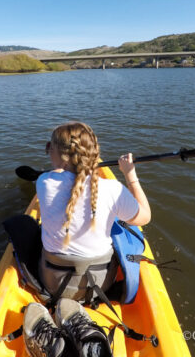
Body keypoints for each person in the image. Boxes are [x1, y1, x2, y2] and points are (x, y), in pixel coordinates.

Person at [22, 121, 151, 357]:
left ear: (58, 154)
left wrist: (72, 167)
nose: (47, 149)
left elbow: (62, 176)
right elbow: (145, 217)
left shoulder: (44, 182)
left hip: (53, 283)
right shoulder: (113, 189)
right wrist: (130, 176)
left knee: (24, 228)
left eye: (49, 146)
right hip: (100, 285)